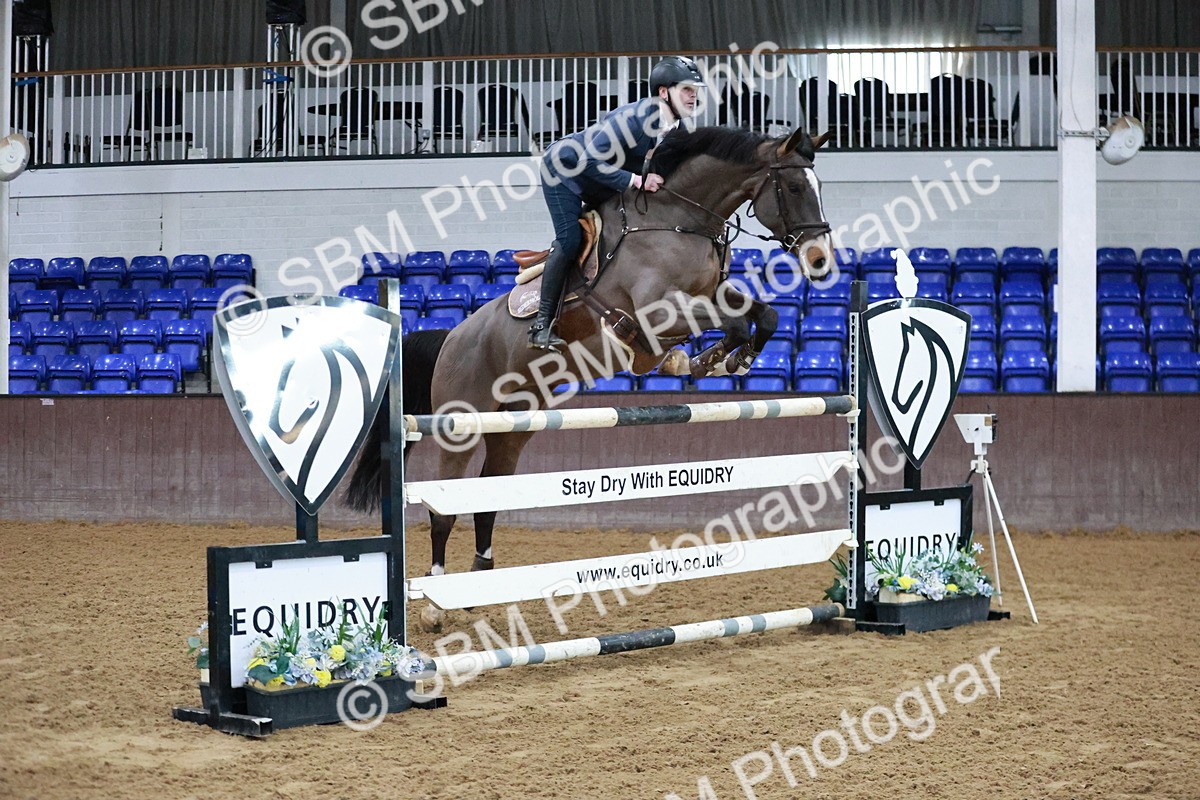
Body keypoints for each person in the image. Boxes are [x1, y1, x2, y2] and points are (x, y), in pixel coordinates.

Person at [528, 56, 706, 351]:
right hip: (565, 169)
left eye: (695, 89)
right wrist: (637, 181)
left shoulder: (672, 126)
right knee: (570, 239)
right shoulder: (633, 120)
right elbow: (588, 161)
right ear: (664, 92)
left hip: (599, 177)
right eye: (686, 89)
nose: (693, 95)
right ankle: (541, 325)